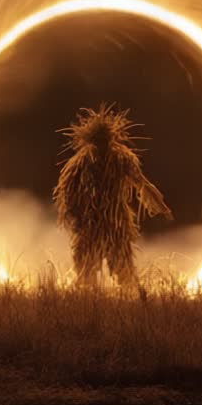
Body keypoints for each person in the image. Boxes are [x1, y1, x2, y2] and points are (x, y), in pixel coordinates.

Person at [53, 104, 172, 287]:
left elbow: (142, 183)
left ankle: (130, 297)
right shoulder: (82, 162)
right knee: (87, 269)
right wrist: (73, 214)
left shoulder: (121, 159)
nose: (102, 146)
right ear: (93, 140)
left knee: (122, 266)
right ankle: (88, 303)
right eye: (99, 141)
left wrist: (160, 206)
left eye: (104, 141)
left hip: (115, 224)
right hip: (90, 223)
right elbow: (68, 191)